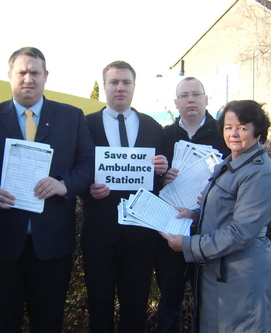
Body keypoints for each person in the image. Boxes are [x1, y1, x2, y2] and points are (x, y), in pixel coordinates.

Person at [0, 46, 95, 333]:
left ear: (46, 76)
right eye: (22, 72)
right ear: (10, 76)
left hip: (52, 244)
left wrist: (63, 184)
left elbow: (88, 166)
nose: (28, 78)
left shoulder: (71, 117)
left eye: (35, 73)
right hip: (3, 244)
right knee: (1, 323)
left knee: (48, 322)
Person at [160, 100, 271, 333]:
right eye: (228, 127)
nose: (233, 133)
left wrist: (187, 245)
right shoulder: (232, 163)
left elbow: (240, 233)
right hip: (220, 272)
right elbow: (225, 212)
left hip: (242, 276)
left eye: (242, 127)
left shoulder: (259, 173)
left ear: (258, 131)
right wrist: (193, 215)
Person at [81, 61, 168, 332]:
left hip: (140, 235)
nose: (120, 88)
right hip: (99, 235)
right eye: (114, 82)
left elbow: (161, 182)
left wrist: (162, 170)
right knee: (98, 306)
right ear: (104, 86)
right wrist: (87, 190)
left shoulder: (154, 128)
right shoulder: (85, 125)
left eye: (126, 83)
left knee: (135, 307)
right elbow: (77, 169)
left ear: (133, 87)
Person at [155, 77, 230, 333]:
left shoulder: (223, 134)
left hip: (208, 231)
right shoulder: (163, 136)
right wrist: (161, 178)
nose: (190, 100)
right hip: (171, 230)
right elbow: (150, 184)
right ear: (176, 103)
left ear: (206, 99)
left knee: (210, 301)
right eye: (184, 95)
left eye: (196, 94)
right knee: (169, 302)